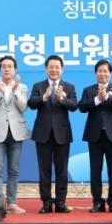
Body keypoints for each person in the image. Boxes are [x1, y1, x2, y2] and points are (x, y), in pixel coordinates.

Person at [28, 55, 77, 214]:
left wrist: (62, 98)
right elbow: (31, 104)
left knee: (62, 170)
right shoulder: (38, 86)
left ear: (62, 69)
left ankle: (61, 202)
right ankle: (46, 202)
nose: (54, 70)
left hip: (62, 134)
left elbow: (74, 106)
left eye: (57, 67)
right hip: (43, 134)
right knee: (44, 170)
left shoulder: (68, 87)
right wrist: (44, 97)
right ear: (46, 69)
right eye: (51, 67)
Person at [78, 60, 112, 213]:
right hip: (95, 135)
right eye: (99, 71)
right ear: (95, 73)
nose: (102, 74)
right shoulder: (88, 90)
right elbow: (82, 107)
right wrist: (97, 99)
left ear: (110, 73)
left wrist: (106, 97)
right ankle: (97, 202)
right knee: (95, 170)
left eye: (105, 71)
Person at [0, 55, 29, 214]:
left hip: (16, 133)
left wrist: (15, 92)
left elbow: (23, 107)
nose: (7, 69)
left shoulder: (22, 87)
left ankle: (11, 202)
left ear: (14, 69)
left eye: (10, 66)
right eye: (4, 66)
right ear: (0, 69)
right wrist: (0, 93)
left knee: (13, 170)